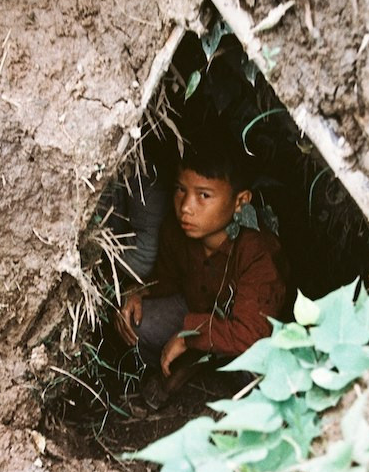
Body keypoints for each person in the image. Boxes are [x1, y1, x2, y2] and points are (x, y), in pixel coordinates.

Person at [114, 146, 289, 395]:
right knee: (137, 321)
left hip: (243, 331)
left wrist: (189, 335)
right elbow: (168, 279)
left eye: (204, 196)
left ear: (241, 201)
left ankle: (199, 363)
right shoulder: (176, 231)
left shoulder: (257, 251)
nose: (186, 206)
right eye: (180, 190)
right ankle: (191, 364)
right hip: (198, 312)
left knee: (256, 371)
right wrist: (138, 292)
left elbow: (252, 332)